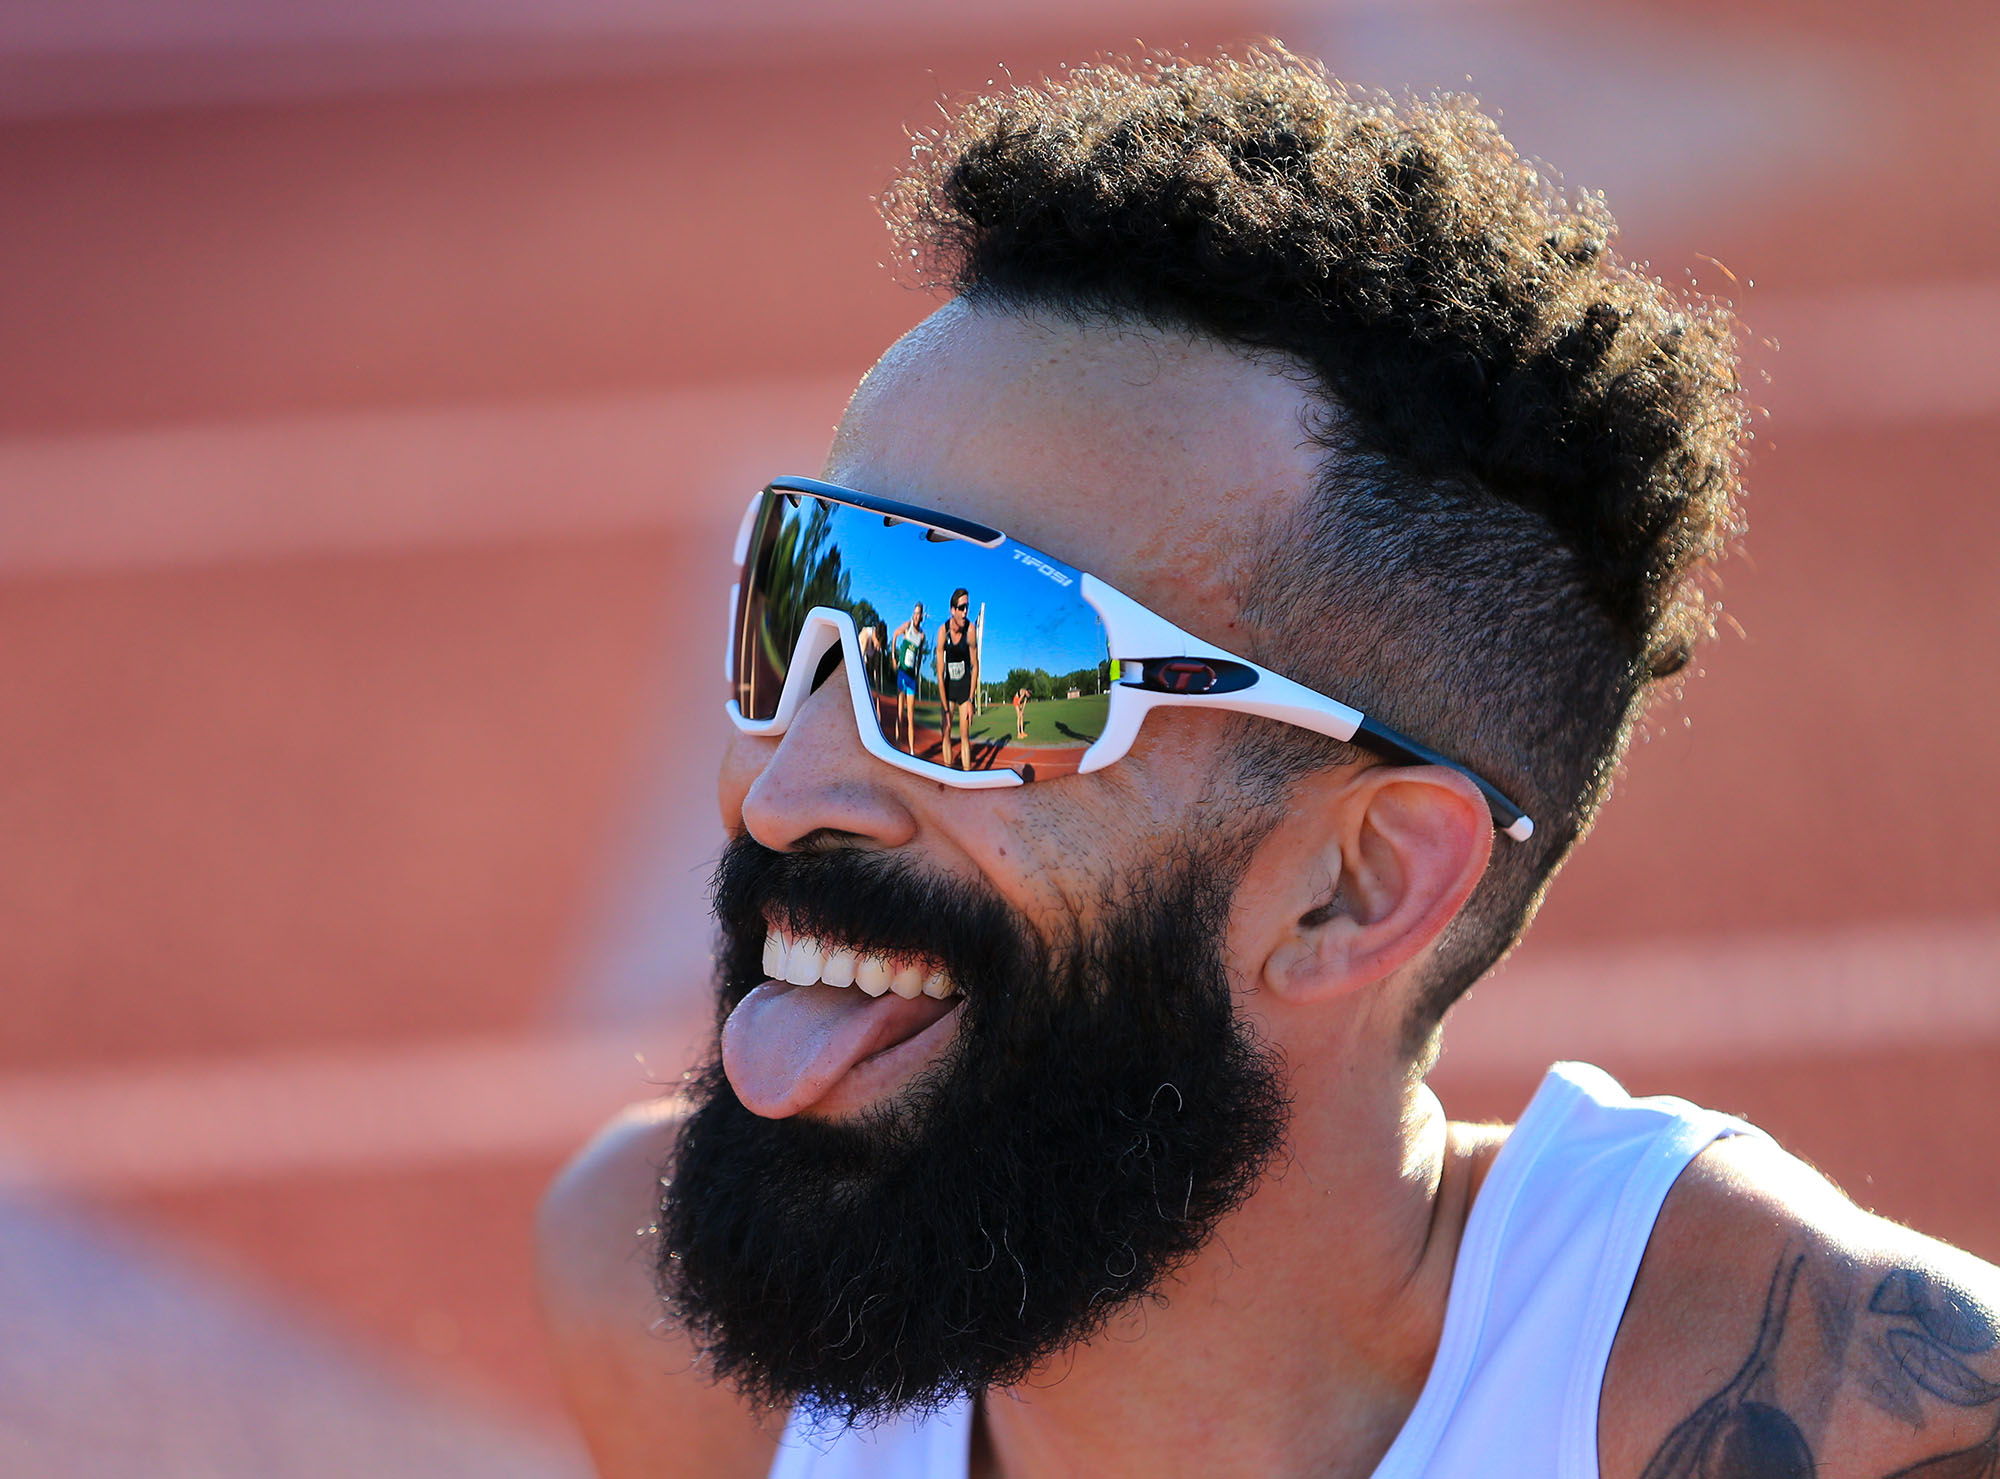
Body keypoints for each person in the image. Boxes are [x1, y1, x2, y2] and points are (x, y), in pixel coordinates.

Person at [537, 49, 2000, 1479]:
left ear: (1357, 885)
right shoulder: (656, 1299)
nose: (785, 788)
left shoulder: (1855, 1424)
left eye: (975, 659)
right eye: (804, 599)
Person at [935, 587, 979, 769]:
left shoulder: (970, 630)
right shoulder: (942, 632)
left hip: (964, 688)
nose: (965, 612)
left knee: (964, 735)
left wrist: (970, 699)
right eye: (961, 608)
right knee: (945, 733)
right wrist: (945, 706)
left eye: (967, 607)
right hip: (949, 687)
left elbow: (975, 665)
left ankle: (966, 776)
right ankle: (948, 772)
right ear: (952, 610)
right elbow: (939, 671)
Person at [888, 602, 925, 751]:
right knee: (900, 713)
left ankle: (911, 751)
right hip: (902, 674)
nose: (916, 616)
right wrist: (893, 657)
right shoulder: (907, 626)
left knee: (910, 715)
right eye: (915, 613)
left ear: (921, 616)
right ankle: (897, 746)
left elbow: (920, 654)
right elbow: (895, 634)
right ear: (913, 614)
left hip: (911, 679)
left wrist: (918, 669)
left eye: (919, 614)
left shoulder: (922, 636)